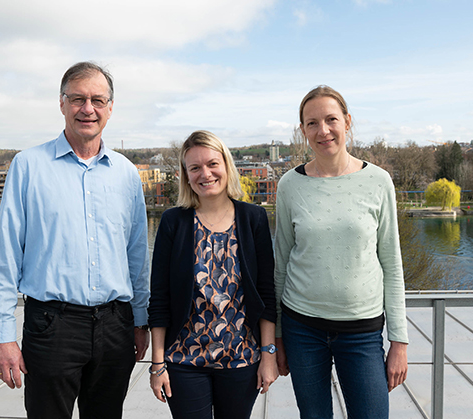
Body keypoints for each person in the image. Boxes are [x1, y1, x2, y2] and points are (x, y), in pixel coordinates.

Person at [0, 61, 150, 419]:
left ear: (110, 108)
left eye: (97, 100)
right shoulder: (28, 166)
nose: (87, 109)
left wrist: (140, 320)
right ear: (61, 104)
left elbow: (136, 255)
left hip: (116, 327)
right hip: (52, 327)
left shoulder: (126, 174)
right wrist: (1, 335)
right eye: (77, 99)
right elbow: (6, 257)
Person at [274, 85, 408, 419]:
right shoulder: (289, 185)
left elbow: (391, 263)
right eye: (312, 123)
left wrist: (399, 341)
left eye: (331, 119)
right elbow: (280, 263)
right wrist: (277, 335)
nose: (323, 130)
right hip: (301, 327)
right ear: (303, 131)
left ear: (347, 121)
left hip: (361, 331)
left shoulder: (379, 181)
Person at [148, 130, 278, 419]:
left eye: (212, 164)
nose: (205, 174)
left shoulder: (252, 218)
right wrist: (158, 365)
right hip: (184, 360)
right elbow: (160, 299)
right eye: (194, 168)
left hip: (242, 359)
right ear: (186, 175)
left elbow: (266, 293)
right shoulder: (174, 222)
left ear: (226, 166)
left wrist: (268, 354)